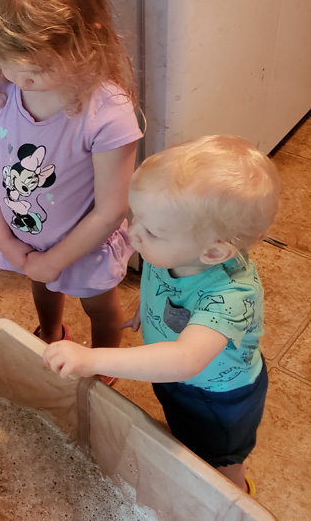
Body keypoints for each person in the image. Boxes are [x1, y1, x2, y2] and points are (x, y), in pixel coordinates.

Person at [43, 135, 279, 494]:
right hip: (178, 382)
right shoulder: (173, 252)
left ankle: (235, 500)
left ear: (214, 253)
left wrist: (91, 358)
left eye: (151, 230)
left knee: (220, 462)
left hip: (217, 400)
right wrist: (148, 308)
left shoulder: (231, 295)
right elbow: (166, 288)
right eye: (136, 217)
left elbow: (185, 359)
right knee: (185, 435)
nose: (133, 233)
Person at [0, 0, 141, 369]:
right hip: (24, 237)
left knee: (100, 308)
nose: (20, 80)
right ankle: (49, 333)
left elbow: (111, 209)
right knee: (41, 288)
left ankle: (101, 363)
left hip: (85, 247)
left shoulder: (107, 113)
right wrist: (4, 238)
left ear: (86, 41)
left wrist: (56, 260)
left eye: (38, 69)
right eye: (9, 64)